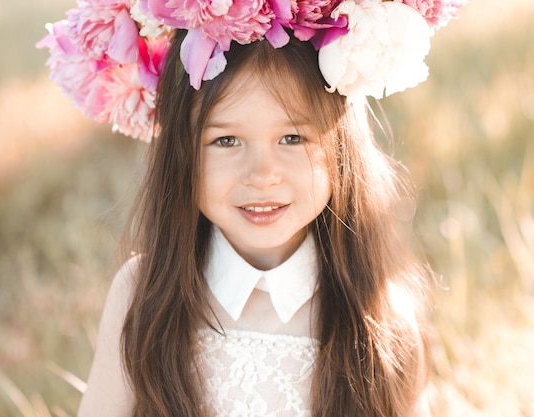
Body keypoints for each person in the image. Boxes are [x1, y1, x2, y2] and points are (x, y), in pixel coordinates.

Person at [38, 1, 465, 416]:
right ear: (182, 153)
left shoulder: (378, 313)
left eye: (292, 139)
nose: (262, 175)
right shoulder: (142, 294)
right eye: (226, 141)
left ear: (340, 148)